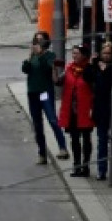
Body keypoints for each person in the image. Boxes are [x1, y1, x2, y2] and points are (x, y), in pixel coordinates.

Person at [22, 31, 69, 165]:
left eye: (41, 40)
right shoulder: (33, 57)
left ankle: (62, 147)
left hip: (45, 92)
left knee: (52, 120)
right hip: (33, 93)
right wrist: (29, 57)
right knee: (37, 124)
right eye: (36, 40)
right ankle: (42, 153)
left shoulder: (49, 55)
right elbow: (25, 69)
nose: (38, 43)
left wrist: (40, 54)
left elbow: (46, 67)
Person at [59, 44, 95, 177]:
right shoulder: (69, 69)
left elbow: (92, 83)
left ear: (84, 55)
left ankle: (85, 166)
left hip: (85, 110)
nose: (74, 56)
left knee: (86, 138)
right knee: (74, 139)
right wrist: (53, 69)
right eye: (73, 53)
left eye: (77, 53)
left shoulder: (89, 69)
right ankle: (77, 165)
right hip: (72, 111)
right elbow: (58, 82)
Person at [91, 40, 112, 180]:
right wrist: (93, 64)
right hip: (100, 110)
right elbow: (89, 79)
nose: (106, 56)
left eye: (109, 53)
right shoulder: (97, 67)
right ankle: (102, 170)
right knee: (102, 141)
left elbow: (108, 85)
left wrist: (104, 71)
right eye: (104, 53)